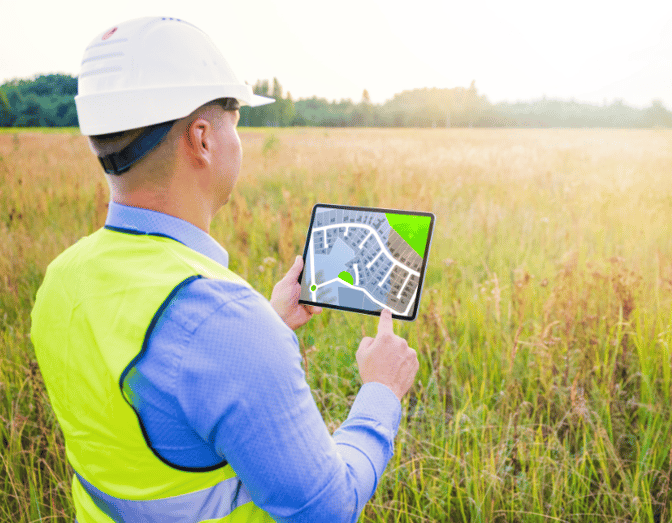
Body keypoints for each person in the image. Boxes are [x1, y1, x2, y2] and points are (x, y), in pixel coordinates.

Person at [30, 16, 419, 523]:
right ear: (202, 139)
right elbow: (326, 508)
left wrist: (266, 323)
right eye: (235, 122)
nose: (239, 141)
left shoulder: (62, 280)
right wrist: (381, 393)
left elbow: (153, 408)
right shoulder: (222, 322)